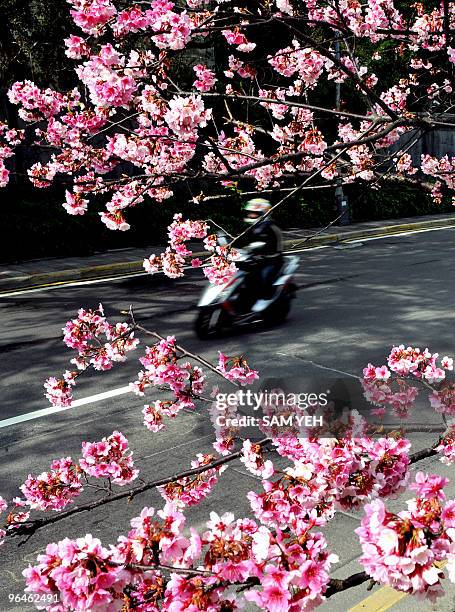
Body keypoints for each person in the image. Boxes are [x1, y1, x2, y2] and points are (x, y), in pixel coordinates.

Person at [239, 198, 284, 302]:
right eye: (250, 213)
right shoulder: (250, 228)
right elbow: (240, 242)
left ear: (264, 213)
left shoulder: (272, 227)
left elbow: (277, 248)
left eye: (254, 213)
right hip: (255, 259)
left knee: (263, 280)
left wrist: (260, 248)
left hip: (272, 261)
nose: (251, 215)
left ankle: (266, 301)